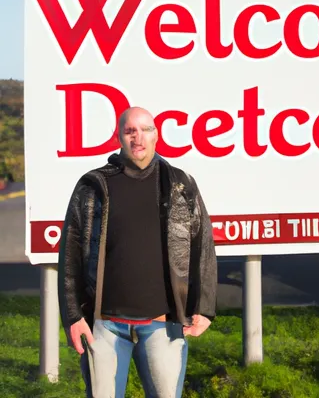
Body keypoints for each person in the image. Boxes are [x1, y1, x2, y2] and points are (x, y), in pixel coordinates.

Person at [57, 106, 218, 398]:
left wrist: (204, 307)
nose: (138, 138)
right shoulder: (93, 185)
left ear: (156, 135)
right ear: (119, 136)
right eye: (130, 131)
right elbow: (70, 253)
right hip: (103, 325)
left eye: (145, 129)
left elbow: (202, 244)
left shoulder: (180, 184)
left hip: (162, 325)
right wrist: (72, 316)